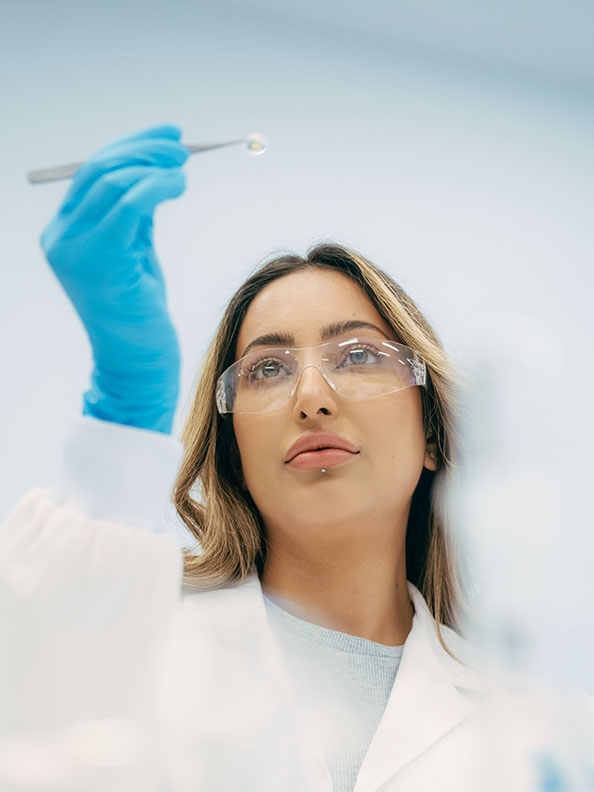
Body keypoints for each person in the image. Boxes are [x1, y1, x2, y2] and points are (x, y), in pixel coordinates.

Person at [2, 125, 588, 791]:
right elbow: (31, 706)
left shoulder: (533, 733)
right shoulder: (132, 644)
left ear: (431, 434)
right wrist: (126, 405)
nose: (311, 398)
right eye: (267, 370)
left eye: (360, 355)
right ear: (234, 452)